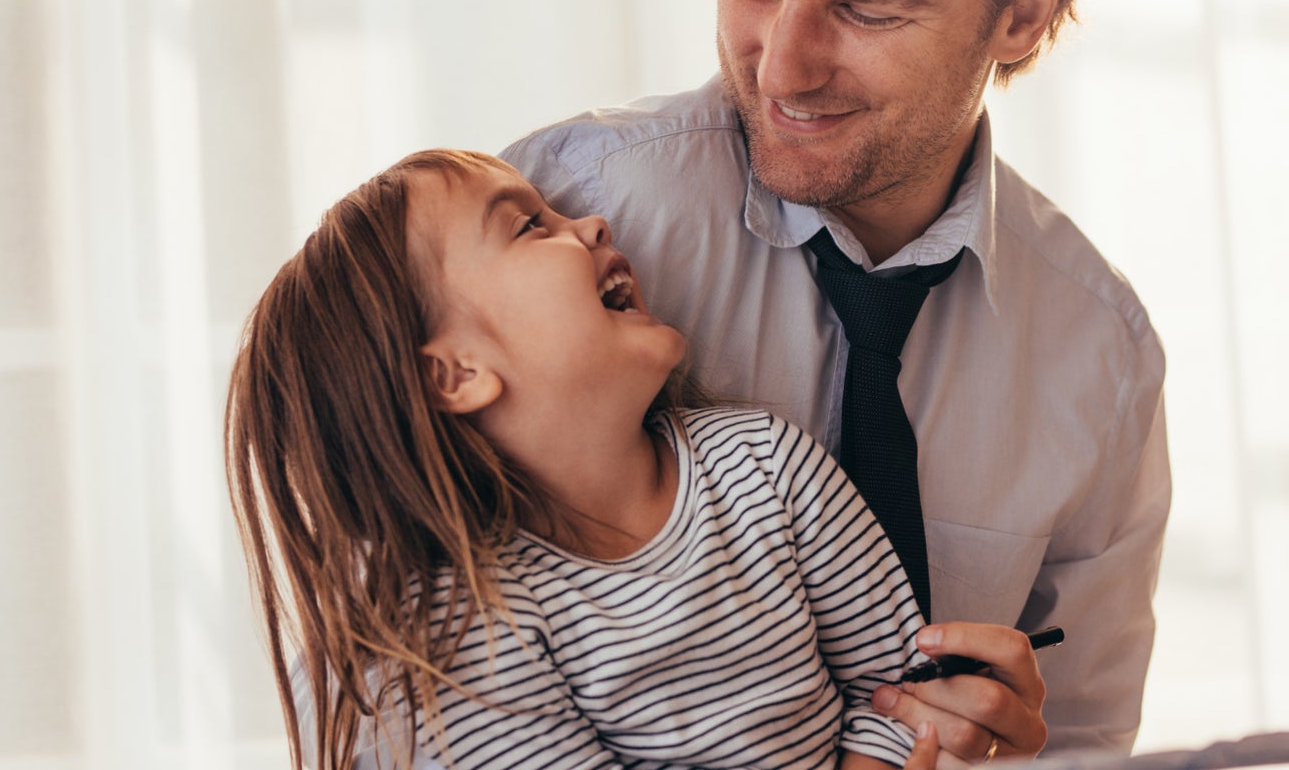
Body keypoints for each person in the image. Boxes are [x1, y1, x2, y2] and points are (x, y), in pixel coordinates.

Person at [503, 0, 1169, 759]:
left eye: (865, 12)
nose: (779, 66)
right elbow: (383, 658)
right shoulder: (563, 217)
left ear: (1020, 16)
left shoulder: (1096, 360)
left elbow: (1079, 742)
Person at [226, 149, 964, 770]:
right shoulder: (467, 625)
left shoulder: (765, 464)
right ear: (454, 375)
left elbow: (906, 690)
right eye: (527, 227)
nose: (591, 224)